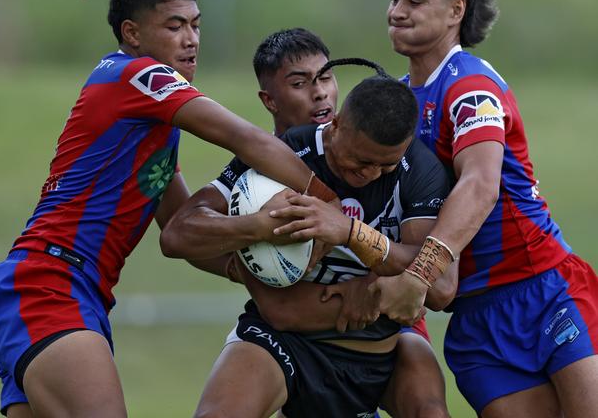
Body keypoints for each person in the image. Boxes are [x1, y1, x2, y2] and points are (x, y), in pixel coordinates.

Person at [0, 0, 337, 418]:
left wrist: (259, 264)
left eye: (196, 24)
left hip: (66, 290)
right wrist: (331, 207)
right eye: (174, 26)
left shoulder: (150, 124)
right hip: (49, 286)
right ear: (132, 33)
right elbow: (247, 140)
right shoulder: (138, 76)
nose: (191, 39)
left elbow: (180, 229)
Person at [164, 28, 451, 417]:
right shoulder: (282, 155)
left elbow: (441, 285)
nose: (371, 173)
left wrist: (351, 234)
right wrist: (263, 227)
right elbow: (179, 235)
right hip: (283, 342)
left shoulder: (417, 167)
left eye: (384, 165)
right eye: (360, 161)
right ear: (335, 129)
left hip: (380, 349)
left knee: (429, 402)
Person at [378, 0, 598, 418]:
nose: (396, 11)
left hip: (543, 289)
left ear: (457, 10)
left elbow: (480, 185)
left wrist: (419, 274)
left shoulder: (469, 86)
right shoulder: (395, 102)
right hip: (475, 317)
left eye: (414, 1)